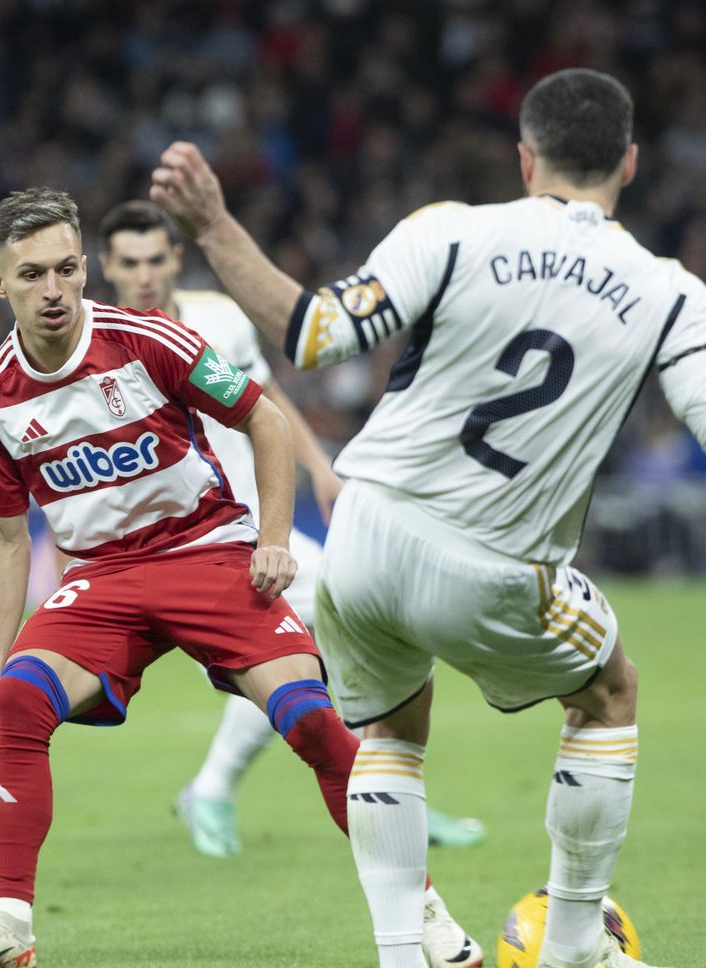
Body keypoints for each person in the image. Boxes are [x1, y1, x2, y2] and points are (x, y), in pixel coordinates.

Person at [149, 68, 706, 968]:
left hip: (364, 528)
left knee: (393, 736)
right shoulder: (667, 292)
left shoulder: (447, 229)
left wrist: (215, 228)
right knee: (608, 689)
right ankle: (575, 952)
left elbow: (312, 332)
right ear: (631, 162)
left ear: (524, 158)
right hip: (492, 561)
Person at [0, 188, 479, 968]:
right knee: (17, 700)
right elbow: (6, 536)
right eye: (31, 275)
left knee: (313, 723)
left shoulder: (150, 342)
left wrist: (275, 540)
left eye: (64, 270)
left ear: (85, 270)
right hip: (104, 580)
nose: (52, 290)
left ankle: (423, 909)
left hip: (206, 554)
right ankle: (10, 929)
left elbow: (266, 418)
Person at [97, 200, 489, 865]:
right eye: (128, 262)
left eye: (155, 259)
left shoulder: (218, 320)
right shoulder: (95, 351)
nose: (143, 274)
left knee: (325, 649)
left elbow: (266, 400)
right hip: (187, 550)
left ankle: (258, 791)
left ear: (176, 259)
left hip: (262, 531)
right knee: (344, 636)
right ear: (105, 267)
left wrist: (320, 470)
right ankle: (381, 796)